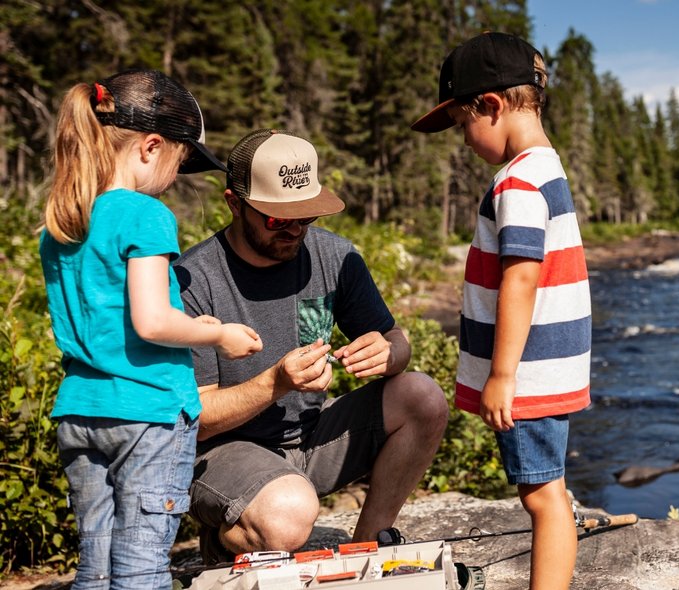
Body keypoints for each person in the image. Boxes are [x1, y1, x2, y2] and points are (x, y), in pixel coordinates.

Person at [174, 129, 448, 565]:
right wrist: (276, 382)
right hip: (224, 453)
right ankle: (229, 535)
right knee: (287, 514)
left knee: (423, 397)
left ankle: (367, 550)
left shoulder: (335, 257)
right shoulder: (193, 279)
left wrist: (389, 352)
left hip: (312, 438)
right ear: (234, 203)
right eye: (277, 219)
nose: (295, 229)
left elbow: (396, 340)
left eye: (306, 217)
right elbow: (197, 420)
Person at [39, 69, 262, 590]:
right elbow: (150, 320)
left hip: (80, 410)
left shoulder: (65, 220)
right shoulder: (144, 214)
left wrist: (191, 322)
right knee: (141, 567)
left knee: (95, 566)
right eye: (180, 161)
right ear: (151, 146)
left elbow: (105, 318)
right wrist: (219, 335)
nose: (175, 174)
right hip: (148, 414)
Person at [412, 32, 592, 590]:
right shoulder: (547, 168)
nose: (465, 139)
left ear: (491, 106)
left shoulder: (516, 182)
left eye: (464, 123)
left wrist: (502, 375)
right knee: (549, 489)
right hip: (546, 367)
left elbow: (521, 277)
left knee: (541, 497)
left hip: (529, 375)